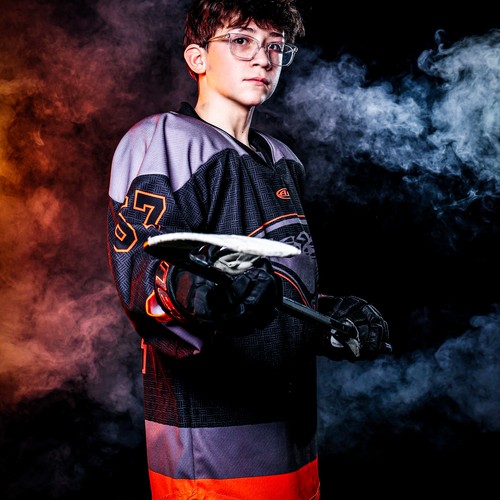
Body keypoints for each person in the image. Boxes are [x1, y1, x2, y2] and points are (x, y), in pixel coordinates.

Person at [106, 0, 391, 498]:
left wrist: (325, 318)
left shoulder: (282, 159)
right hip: (213, 454)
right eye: (241, 40)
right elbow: (142, 277)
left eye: (275, 46)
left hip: (294, 444)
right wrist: (198, 292)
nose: (263, 57)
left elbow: (270, 289)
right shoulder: (164, 140)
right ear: (197, 58)